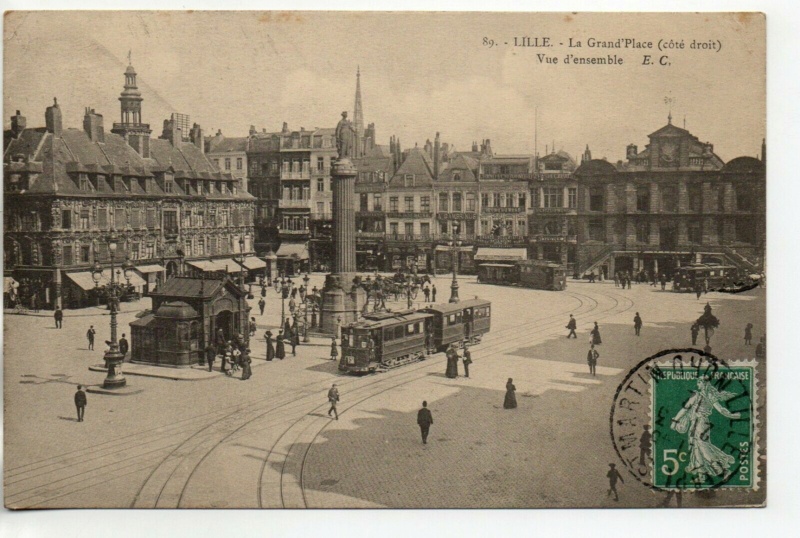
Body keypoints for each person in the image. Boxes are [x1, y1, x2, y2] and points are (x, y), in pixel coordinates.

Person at [670, 376, 741, 484]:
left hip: (701, 423)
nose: (698, 385)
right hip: (698, 423)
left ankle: (723, 470)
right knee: (696, 448)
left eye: (699, 383)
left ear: (704, 383)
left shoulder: (698, 395)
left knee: (702, 447)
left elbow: (684, 409)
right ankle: (701, 476)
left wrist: (675, 421)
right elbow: (721, 410)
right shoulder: (709, 396)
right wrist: (731, 415)